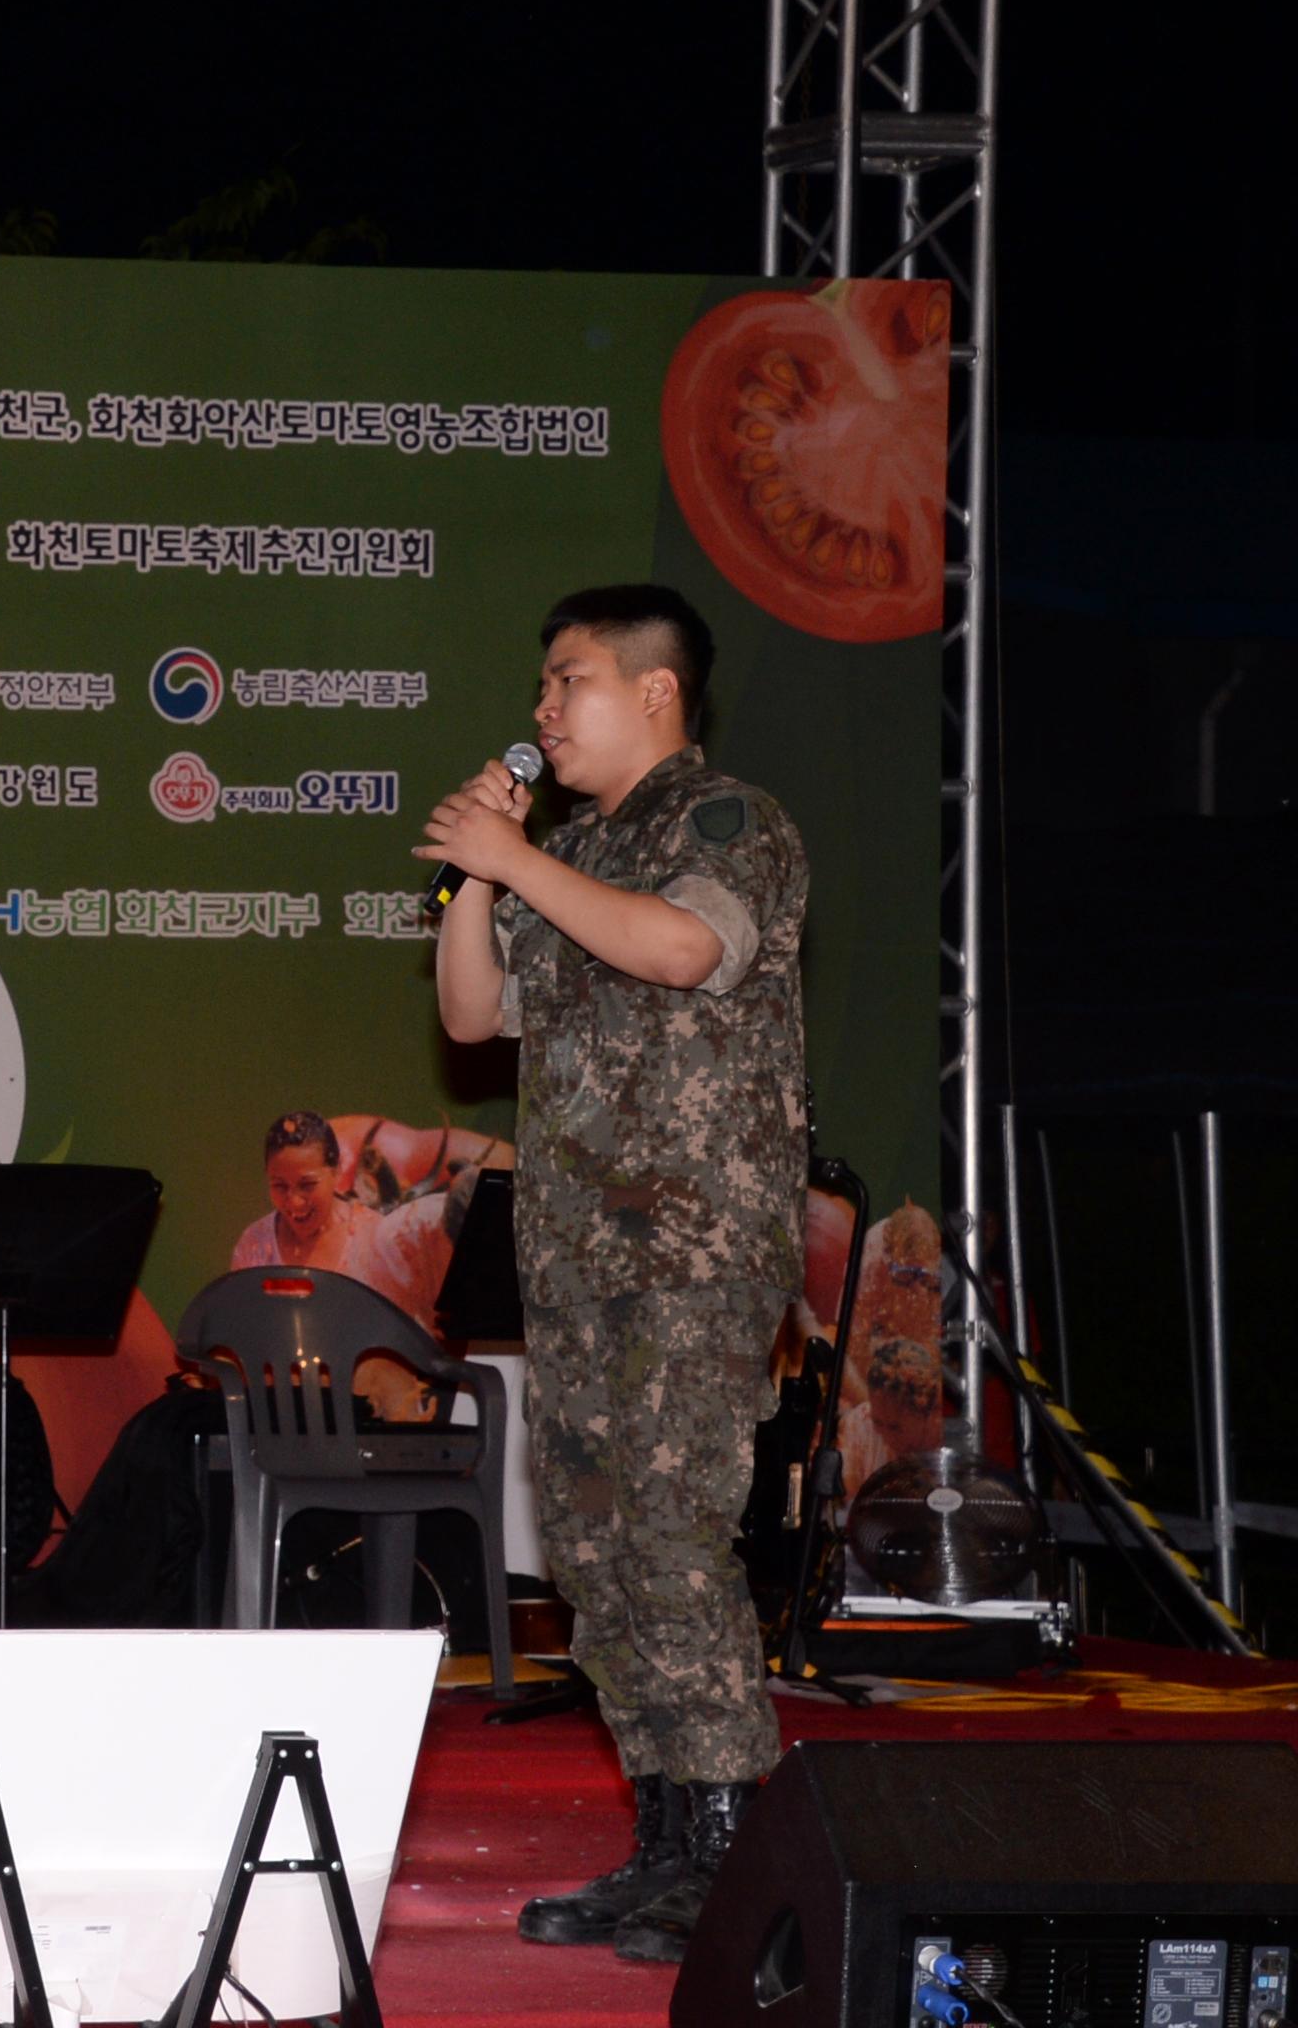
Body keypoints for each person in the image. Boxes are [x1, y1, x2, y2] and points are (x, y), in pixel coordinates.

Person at [423, 582, 808, 1966]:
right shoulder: (570, 851)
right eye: (538, 687)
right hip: (578, 1261)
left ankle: (736, 1857)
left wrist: (523, 866)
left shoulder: (726, 824)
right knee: (594, 1555)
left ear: (654, 692)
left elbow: (686, 947)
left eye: (564, 682)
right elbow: (473, 1014)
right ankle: (666, 1844)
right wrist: (485, 863)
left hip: (690, 1253)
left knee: (670, 1538)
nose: (540, 710)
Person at [225, 1109, 505, 1422]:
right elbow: (241, 1340)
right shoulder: (255, 1243)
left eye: (307, 1185)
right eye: (280, 1186)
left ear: (335, 1170)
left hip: (369, 1417)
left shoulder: (377, 1239)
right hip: (284, 1419)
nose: (294, 1202)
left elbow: (419, 1340)